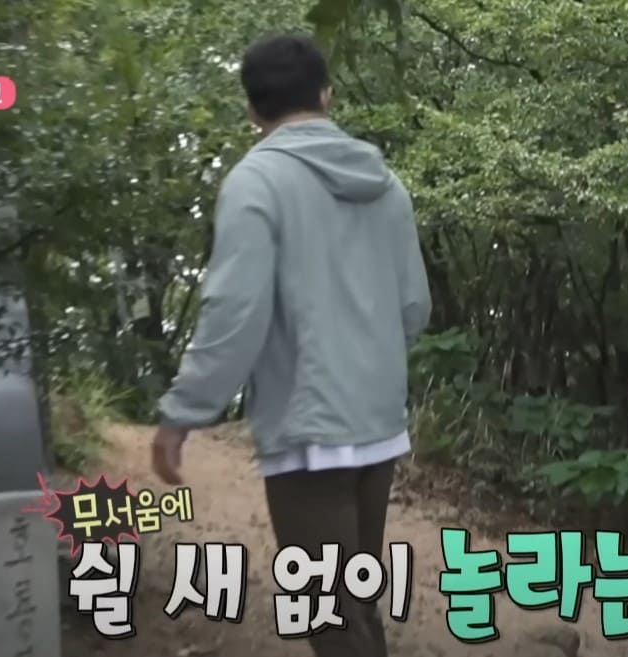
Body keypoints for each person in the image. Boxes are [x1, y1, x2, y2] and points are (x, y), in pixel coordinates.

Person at [150, 33, 431, 657]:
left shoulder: (255, 182)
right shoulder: (386, 184)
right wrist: (371, 359)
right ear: (327, 95)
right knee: (354, 601)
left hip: (309, 430)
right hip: (379, 420)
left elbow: (234, 313)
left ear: (252, 109)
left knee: (329, 615)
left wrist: (184, 412)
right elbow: (414, 306)